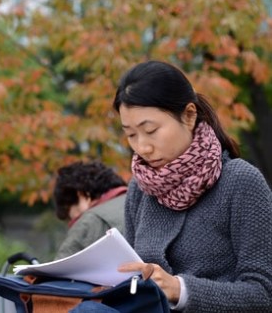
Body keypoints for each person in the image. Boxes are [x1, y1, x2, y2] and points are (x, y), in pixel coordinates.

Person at [112, 60, 272, 311]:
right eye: (131, 134)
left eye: (151, 130)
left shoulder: (241, 182)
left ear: (189, 115)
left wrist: (180, 290)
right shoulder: (140, 189)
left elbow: (263, 294)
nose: (142, 147)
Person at [53, 160, 127, 260]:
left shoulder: (90, 220)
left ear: (83, 195)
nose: (74, 224)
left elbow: (58, 270)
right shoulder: (144, 200)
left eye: (73, 218)